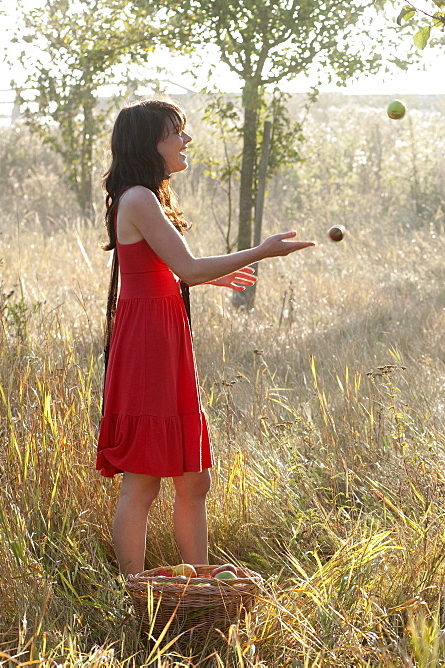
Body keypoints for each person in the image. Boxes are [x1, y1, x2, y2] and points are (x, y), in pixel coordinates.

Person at [96, 99, 314, 575]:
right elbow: (189, 269)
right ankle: (135, 592)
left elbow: (171, 269)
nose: (186, 140)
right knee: (143, 482)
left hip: (165, 336)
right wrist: (261, 251)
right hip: (149, 345)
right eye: (176, 132)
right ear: (149, 144)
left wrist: (202, 277)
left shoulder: (146, 196)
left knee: (194, 483)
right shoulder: (137, 197)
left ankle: (200, 583)